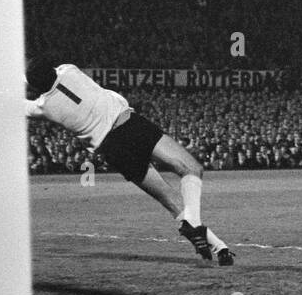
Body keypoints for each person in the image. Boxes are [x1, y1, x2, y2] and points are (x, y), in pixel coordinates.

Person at [25, 61, 234, 264]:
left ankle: (219, 247)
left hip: (111, 149)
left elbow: (22, 103)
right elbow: (50, 73)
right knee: (191, 168)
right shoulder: (70, 71)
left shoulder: (42, 108)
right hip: (129, 126)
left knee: (168, 198)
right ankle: (196, 227)